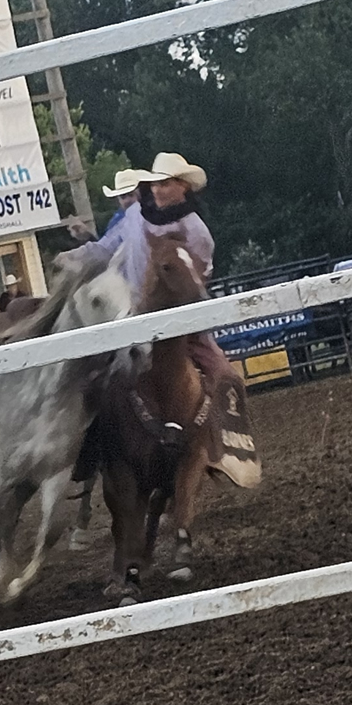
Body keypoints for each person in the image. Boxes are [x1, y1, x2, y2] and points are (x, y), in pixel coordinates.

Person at [57, 151, 260, 488]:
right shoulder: (136, 215)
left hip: (183, 319)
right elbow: (108, 248)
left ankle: (224, 451)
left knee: (225, 375)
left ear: (182, 187)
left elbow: (200, 274)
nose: (159, 189)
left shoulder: (196, 229)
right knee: (93, 379)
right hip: (135, 315)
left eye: (165, 183)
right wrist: (72, 256)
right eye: (156, 183)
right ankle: (89, 453)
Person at [66, 169, 141, 243]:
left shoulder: (149, 217)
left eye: (131, 195)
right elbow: (106, 250)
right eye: (123, 196)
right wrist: (87, 236)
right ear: (118, 199)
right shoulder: (116, 221)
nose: (127, 200)